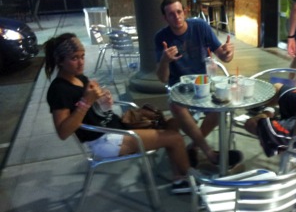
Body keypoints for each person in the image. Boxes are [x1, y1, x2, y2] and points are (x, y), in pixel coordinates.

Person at [44, 33, 192, 194]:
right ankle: (192, 180)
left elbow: (95, 111)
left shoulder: (78, 77)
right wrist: (86, 102)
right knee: (175, 139)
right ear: (60, 61)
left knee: (173, 123)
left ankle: (179, 178)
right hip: (104, 140)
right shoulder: (58, 90)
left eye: (82, 56)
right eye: (74, 58)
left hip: (115, 127)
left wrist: (104, 102)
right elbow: (63, 132)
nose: (81, 63)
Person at [154, 0, 242, 167]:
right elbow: (163, 78)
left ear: (185, 11)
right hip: (180, 88)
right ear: (165, 18)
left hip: (205, 84)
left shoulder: (199, 27)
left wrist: (227, 52)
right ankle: (210, 153)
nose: (176, 17)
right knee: (175, 105)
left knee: (222, 105)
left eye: (179, 12)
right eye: (171, 14)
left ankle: (193, 147)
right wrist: (165, 60)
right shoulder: (161, 37)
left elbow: (223, 56)